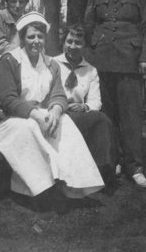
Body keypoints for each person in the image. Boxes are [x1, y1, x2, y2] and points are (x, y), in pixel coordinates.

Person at [0, 12, 104, 208]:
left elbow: (59, 94)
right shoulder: (9, 60)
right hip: (1, 119)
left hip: (33, 115)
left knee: (64, 122)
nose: (36, 41)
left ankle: (75, 185)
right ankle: (35, 190)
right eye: (31, 37)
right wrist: (36, 115)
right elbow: (9, 100)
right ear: (22, 38)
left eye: (40, 36)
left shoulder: (51, 63)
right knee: (29, 127)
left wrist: (55, 110)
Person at [85, 0, 146, 188]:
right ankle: (112, 160)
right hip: (102, 62)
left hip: (129, 61)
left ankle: (134, 166)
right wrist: (90, 53)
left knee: (131, 116)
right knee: (107, 115)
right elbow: (88, 24)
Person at [54, 24, 116, 187]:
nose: (72, 46)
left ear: (85, 46)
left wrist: (85, 107)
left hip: (79, 115)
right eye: (69, 41)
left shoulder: (90, 70)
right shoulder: (53, 63)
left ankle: (103, 171)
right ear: (63, 42)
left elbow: (96, 101)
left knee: (102, 119)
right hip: (57, 112)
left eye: (78, 42)